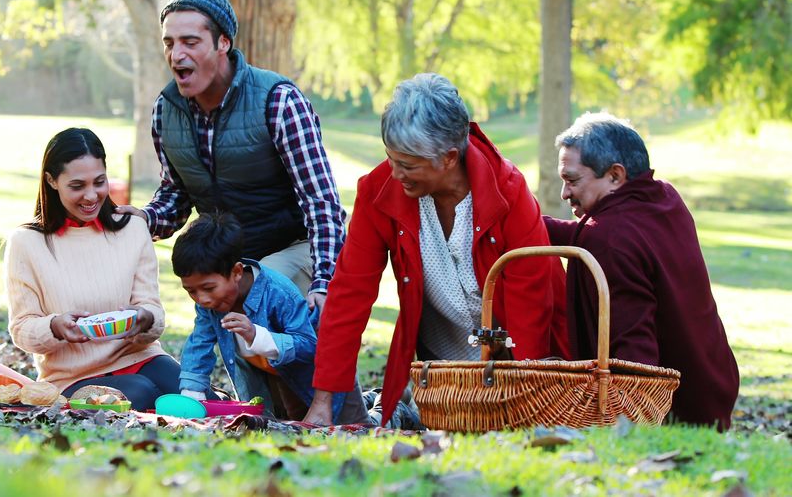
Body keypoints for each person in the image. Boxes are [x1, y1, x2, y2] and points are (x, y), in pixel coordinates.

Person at [305, 73, 571, 426]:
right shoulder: (378, 190)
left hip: (519, 362)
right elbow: (349, 293)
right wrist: (322, 402)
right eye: (391, 159)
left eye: (408, 165)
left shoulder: (508, 192)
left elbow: (531, 304)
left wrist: (524, 402)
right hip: (442, 372)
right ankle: (407, 409)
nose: (395, 173)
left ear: (448, 158)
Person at [115, 0, 346, 313]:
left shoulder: (278, 101)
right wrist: (142, 219)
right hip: (231, 265)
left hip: (297, 250)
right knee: (241, 344)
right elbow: (176, 196)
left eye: (190, 42)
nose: (176, 54)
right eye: (169, 42)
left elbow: (321, 202)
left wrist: (325, 282)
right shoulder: (166, 111)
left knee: (264, 295)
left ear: (223, 42)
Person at [544, 113, 739, 430]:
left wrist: (630, 427)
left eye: (573, 180)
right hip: (711, 383)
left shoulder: (611, 240)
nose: (565, 193)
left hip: (674, 411)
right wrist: (534, 225)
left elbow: (634, 352)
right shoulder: (663, 198)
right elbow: (604, 235)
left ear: (615, 176)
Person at [4, 128, 180, 411]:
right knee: (142, 395)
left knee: (194, 393)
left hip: (140, 357)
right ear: (51, 181)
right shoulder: (27, 243)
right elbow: (22, 329)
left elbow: (152, 310)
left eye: (99, 182)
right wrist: (55, 326)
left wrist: (145, 318)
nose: (91, 196)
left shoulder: (133, 229)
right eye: (77, 186)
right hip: (72, 376)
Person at [173, 212, 370, 423]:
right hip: (281, 379)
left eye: (208, 288)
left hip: (321, 380)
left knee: (356, 425)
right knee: (296, 425)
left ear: (237, 272)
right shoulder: (210, 304)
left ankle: (390, 409)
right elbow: (199, 343)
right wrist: (191, 395)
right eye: (191, 291)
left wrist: (257, 335)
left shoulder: (278, 292)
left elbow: (307, 345)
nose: (201, 299)